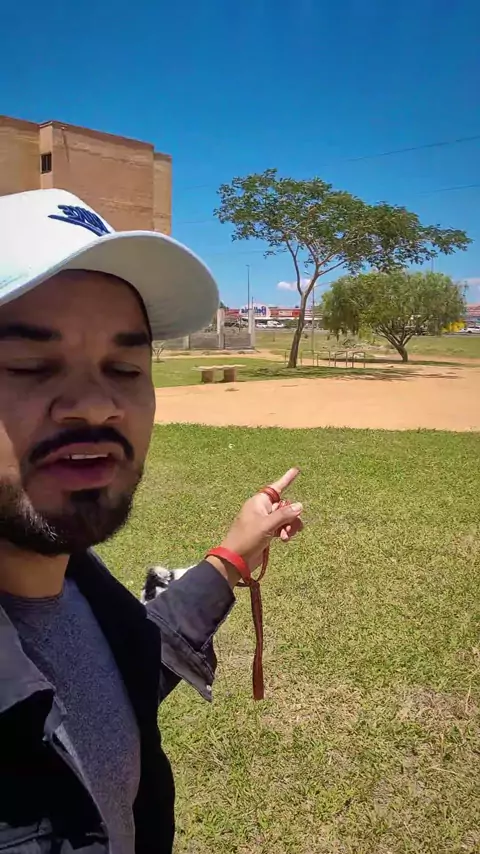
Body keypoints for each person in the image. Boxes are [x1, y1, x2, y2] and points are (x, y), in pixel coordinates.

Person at [0, 189, 303, 854]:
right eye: (29, 364)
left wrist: (230, 557)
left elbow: (122, 667)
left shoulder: (72, 583)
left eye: (126, 366)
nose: (97, 405)